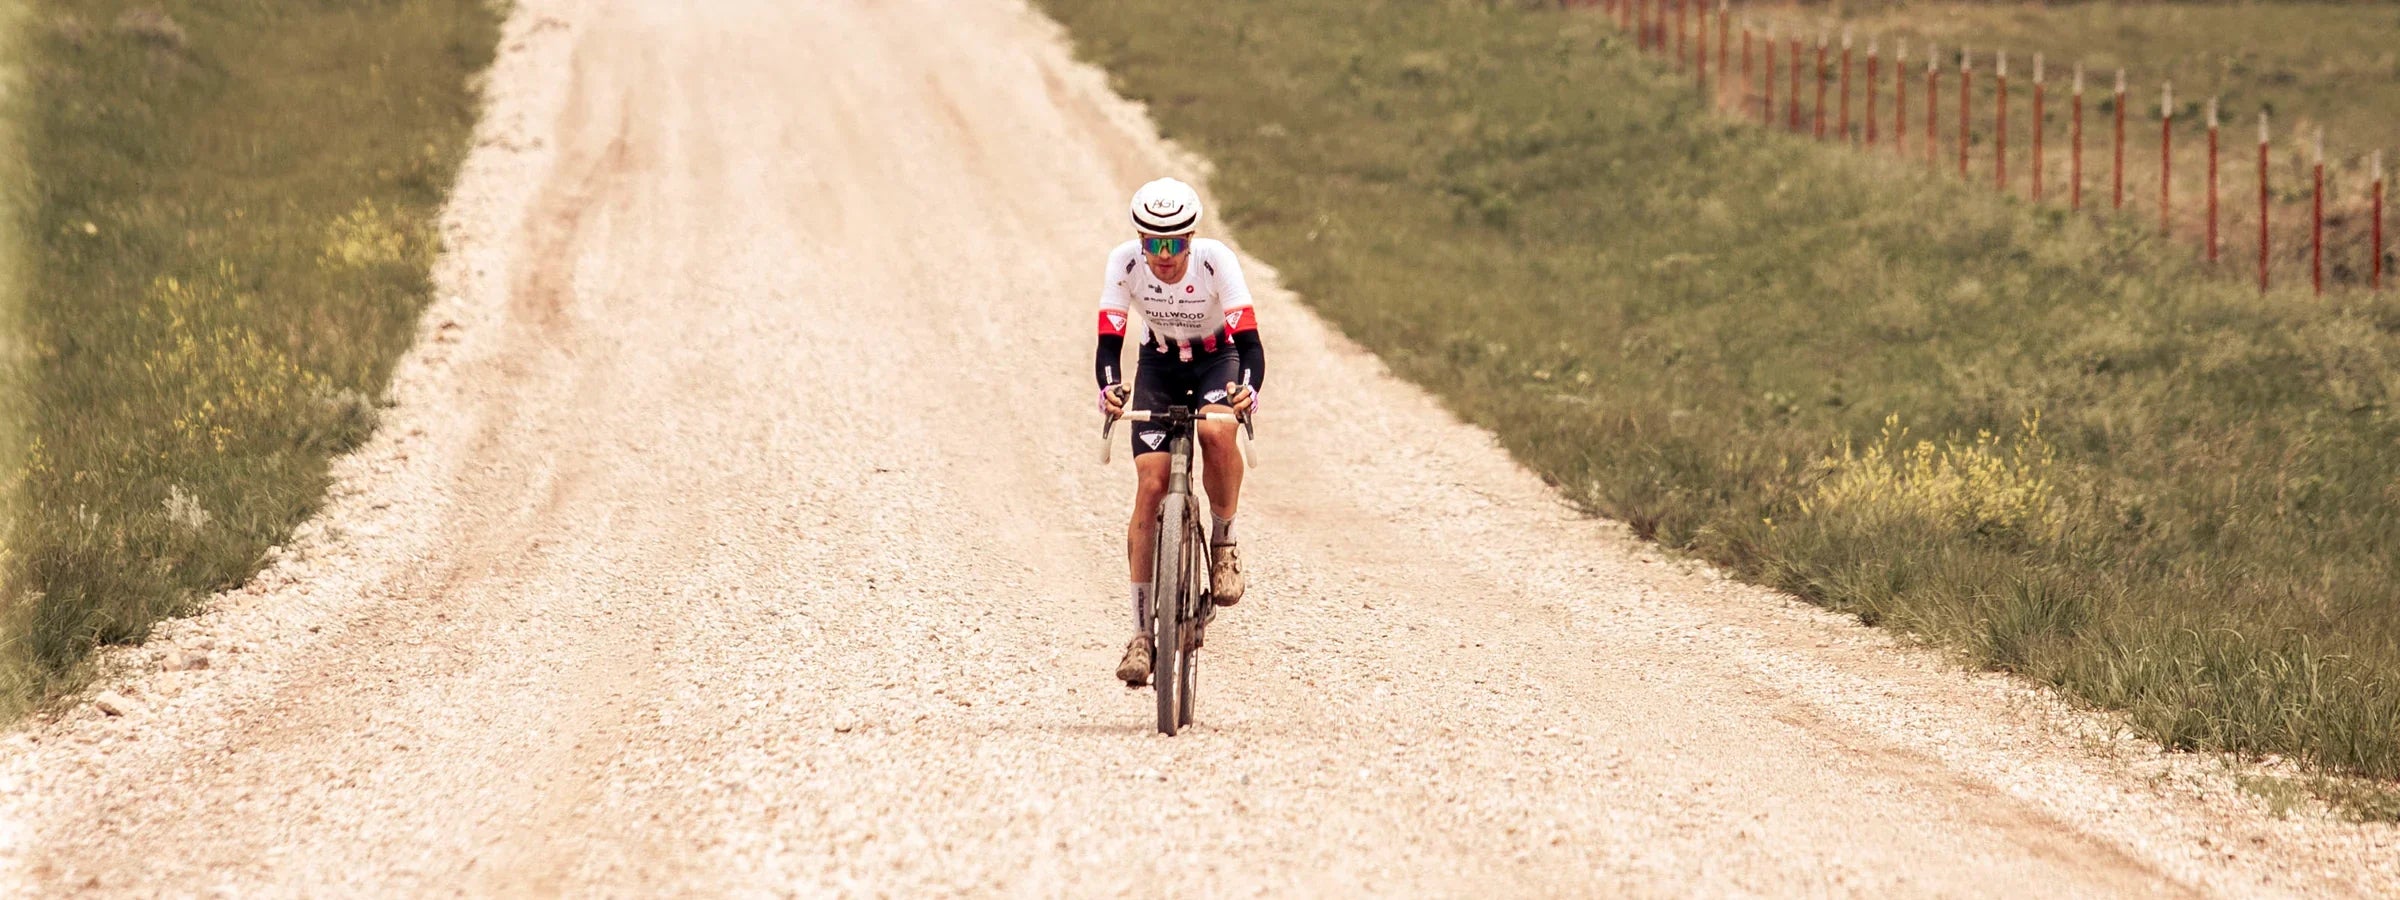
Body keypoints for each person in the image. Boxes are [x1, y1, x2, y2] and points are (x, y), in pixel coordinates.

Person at [1095, 177, 1263, 686]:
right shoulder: (1123, 263)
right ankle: (1142, 635)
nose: (1162, 256)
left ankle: (1224, 543)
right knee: (1149, 488)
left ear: (1191, 240)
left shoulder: (1217, 262)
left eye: (1172, 244)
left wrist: (1248, 392)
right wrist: (1109, 388)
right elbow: (1108, 343)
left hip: (1217, 361)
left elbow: (1251, 344)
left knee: (1215, 433)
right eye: (1152, 243)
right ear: (1139, 241)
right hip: (1159, 366)